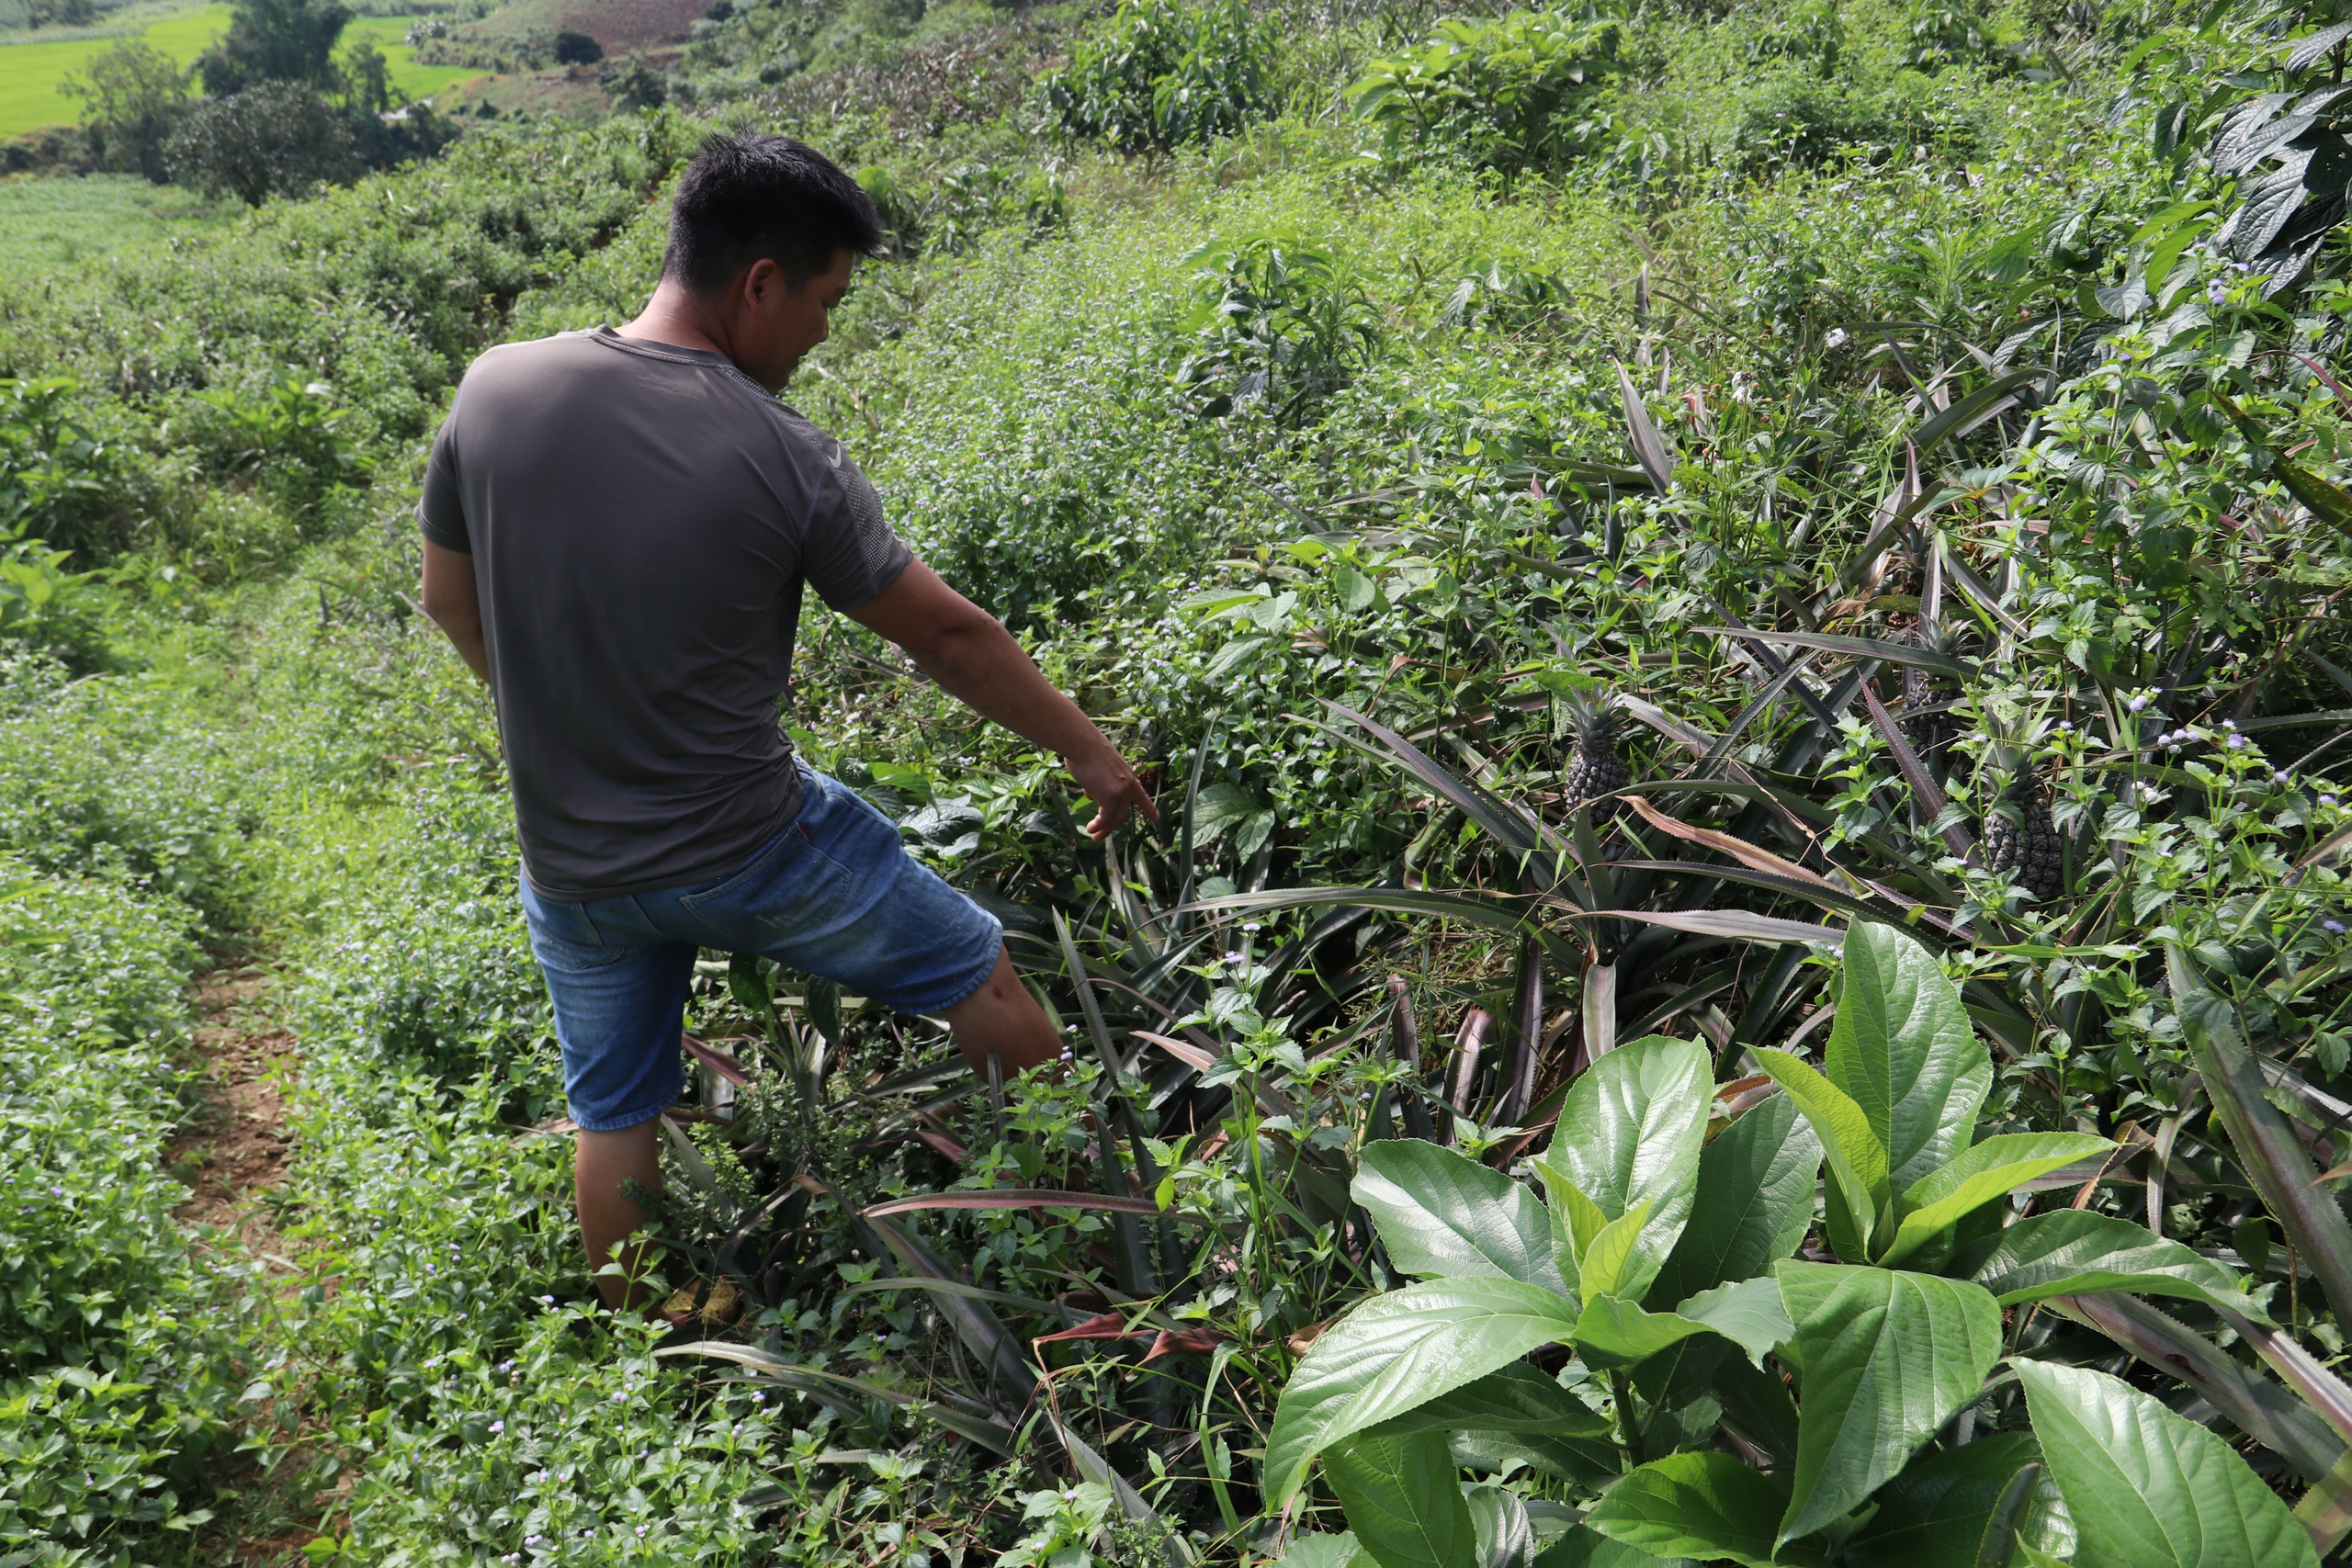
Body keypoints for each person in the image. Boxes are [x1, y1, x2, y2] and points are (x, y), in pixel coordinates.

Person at [414, 132, 1157, 1308]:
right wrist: (1089, 750)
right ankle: (1089, 1234)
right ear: (759, 282)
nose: (821, 335)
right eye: (823, 302)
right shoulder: (781, 452)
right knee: (981, 976)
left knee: (613, 1112)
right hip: (758, 849)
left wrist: (557, 723)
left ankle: (644, 1338)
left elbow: (448, 601)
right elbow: (946, 637)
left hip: (571, 867)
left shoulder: (496, 385)